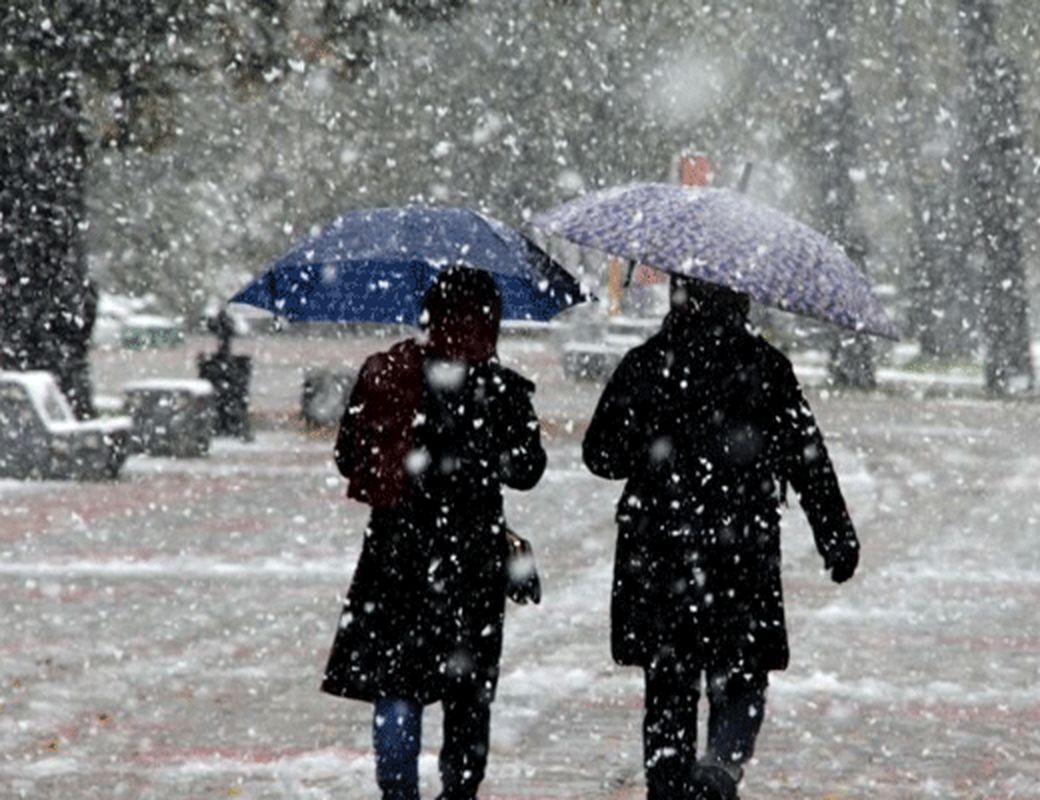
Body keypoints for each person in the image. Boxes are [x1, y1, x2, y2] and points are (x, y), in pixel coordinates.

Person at [582, 275, 860, 800]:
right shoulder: (765, 368)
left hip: (660, 550)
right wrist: (835, 534)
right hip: (740, 549)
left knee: (669, 686)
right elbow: (808, 457)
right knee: (742, 674)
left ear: (677, 297)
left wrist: (651, 437)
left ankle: (669, 786)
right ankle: (721, 768)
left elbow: (601, 455)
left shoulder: (646, 364)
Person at [321, 266, 547, 800]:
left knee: (397, 682)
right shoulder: (502, 388)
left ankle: (398, 788)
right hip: (473, 555)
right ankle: (459, 791)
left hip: (396, 551)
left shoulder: (386, 374)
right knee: (467, 692)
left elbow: (347, 457)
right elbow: (528, 471)